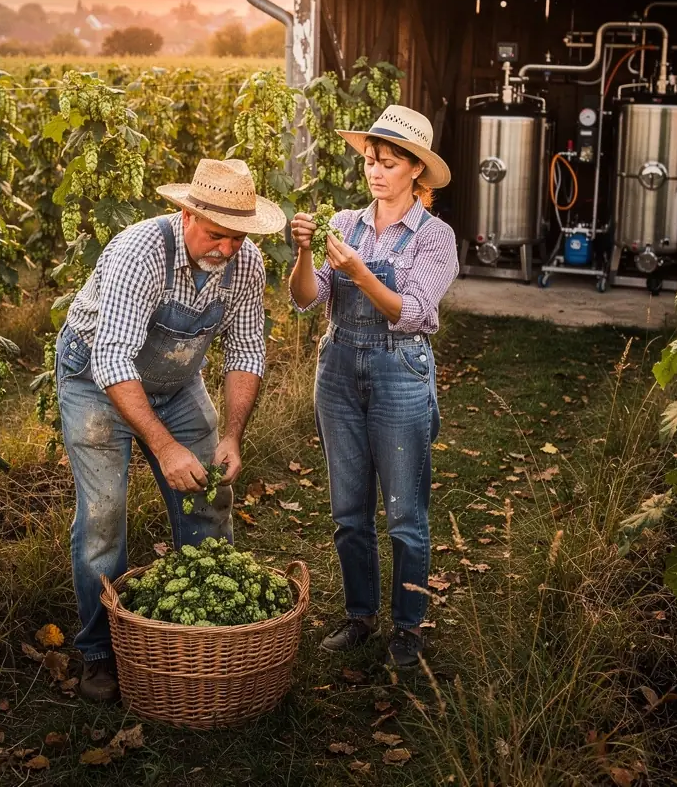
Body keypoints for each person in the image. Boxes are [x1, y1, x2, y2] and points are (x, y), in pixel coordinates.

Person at [56, 157, 286, 702]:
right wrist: (162, 447)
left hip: (176, 382)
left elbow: (247, 350)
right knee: (104, 518)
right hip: (95, 377)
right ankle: (98, 652)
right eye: (215, 235)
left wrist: (231, 436)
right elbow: (113, 358)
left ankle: (204, 633)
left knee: (210, 495)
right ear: (186, 215)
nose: (226, 249)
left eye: (237, 238)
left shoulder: (245, 262)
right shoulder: (140, 252)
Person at [289, 104, 458, 669]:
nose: (375, 172)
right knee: (348, 510)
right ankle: (360, 615)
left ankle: (408, 626)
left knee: (406, 515)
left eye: (388, 162)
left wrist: (360, 271)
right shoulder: (347, 222)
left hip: (398, 371)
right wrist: (307, 252)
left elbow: (410, 313)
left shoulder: (435, 238)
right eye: (369, 160)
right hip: (337, 367)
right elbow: (307, 298)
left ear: (415, 170)